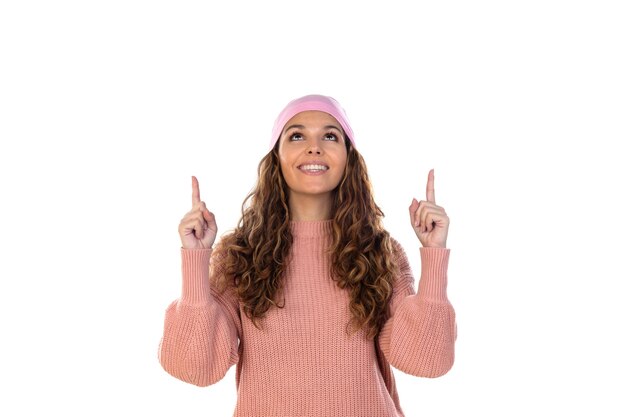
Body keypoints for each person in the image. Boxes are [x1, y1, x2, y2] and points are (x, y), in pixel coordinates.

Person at [158, 94, 456, 416]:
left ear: (348, 156)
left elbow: (427, 361)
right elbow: (194, 367)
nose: (314, 147)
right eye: (297, 135)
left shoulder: (379, 251)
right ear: (277, 156)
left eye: (330, 136)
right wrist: (196, 261)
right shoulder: (241, 255)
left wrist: (433, 253)